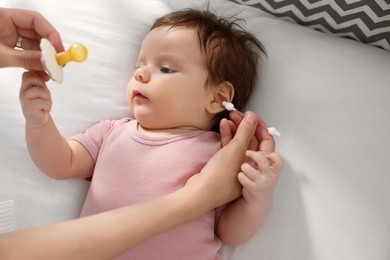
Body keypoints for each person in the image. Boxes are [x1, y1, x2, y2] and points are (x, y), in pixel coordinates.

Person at [19, 8, 283, 260]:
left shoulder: (221, 155)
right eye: (139, 65)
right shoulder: (112, 132)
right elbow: (59, 163)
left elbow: (229, 232)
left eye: (165, 68)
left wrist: (256, 197)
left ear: (219, 97)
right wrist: (38, 122)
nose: (140, 74)